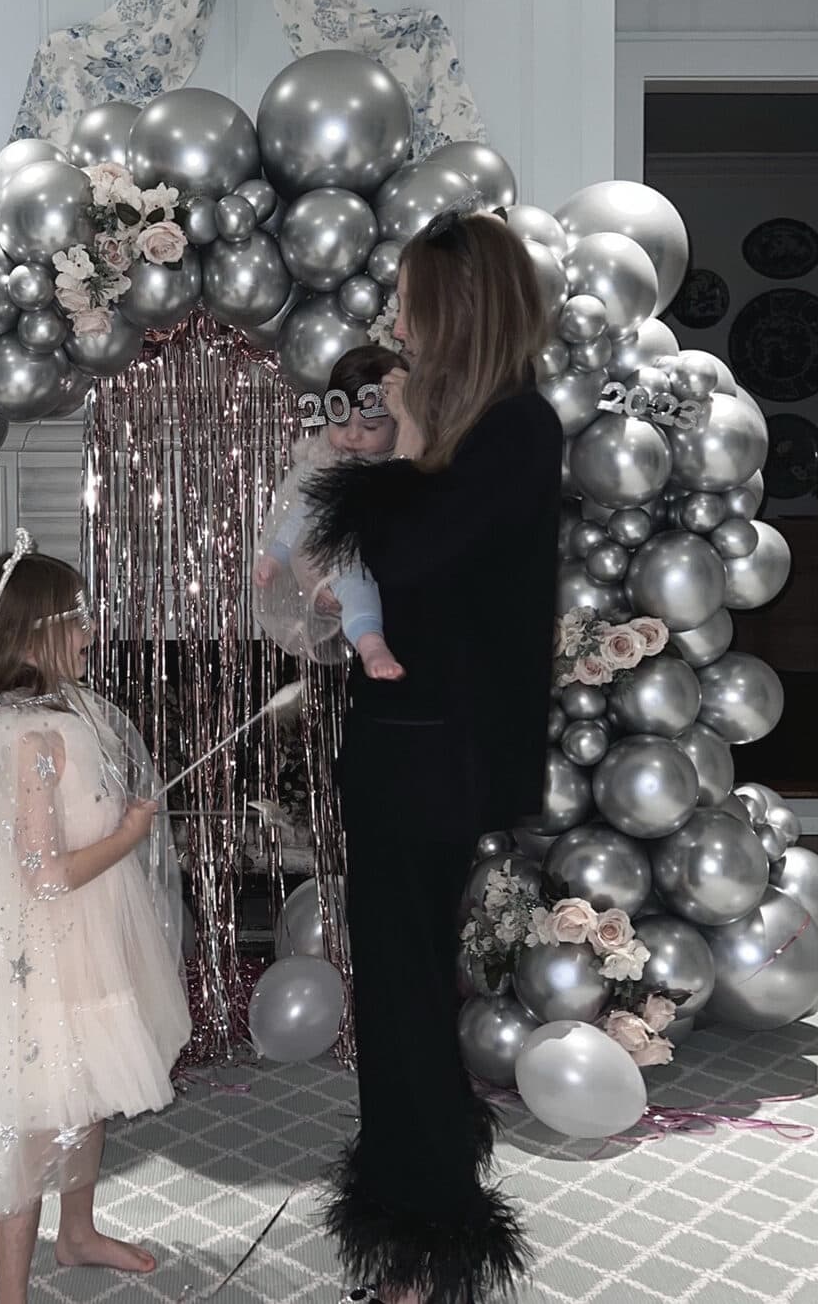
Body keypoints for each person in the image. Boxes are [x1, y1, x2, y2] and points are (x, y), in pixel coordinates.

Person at [305, 211, 562, 1304]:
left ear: (454, 306)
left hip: (434, 758)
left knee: (404, 996)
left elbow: (404, 556)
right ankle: (419, 1208)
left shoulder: (512, 427)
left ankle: (425, 1237)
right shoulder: (487, 426)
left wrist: (399, 434)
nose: (395, 319)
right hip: (410, 748)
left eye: (411, 298)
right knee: (400, 986)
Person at [0, 532, 189, 1304]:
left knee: (85, 1093)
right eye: (76, 618)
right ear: (28, 635)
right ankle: (12, 1289)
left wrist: (111, 816)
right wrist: (128, 836)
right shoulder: (30, 737)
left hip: (79, 951)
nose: (89, 631)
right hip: (42, 959)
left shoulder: (62, 715)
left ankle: (77, 1231)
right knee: (29, 1116)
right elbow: (45, 876)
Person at [254, 344, 405, 679]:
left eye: (370, 428)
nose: (352, 436)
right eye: (342, 424)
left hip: (388, 567)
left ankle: (373, 640)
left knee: (364, 586)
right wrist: (275, 557)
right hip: (337, 563)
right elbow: (296, 515)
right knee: (354, 585)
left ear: (396, 424)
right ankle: (370, 643)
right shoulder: (322, 463)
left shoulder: (400, 463)